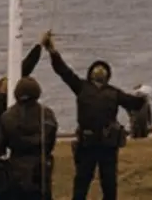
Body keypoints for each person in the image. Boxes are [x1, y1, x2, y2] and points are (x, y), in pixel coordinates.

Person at [42, 31, 146, 200]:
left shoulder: (114, 92)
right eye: (97, 67)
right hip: (87, 144)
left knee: (109, 184)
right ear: (90, 73)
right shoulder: (81, 87)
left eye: (103, 68)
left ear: (107, 75)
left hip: (108, 145)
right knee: (82, 182)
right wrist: (52, 51)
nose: (99, 69)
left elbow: (134, 103)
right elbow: (63, 71)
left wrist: (142, 93)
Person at [0, 76, 58, 200]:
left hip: (16, 171)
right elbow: (50, 143)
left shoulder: (8, 116)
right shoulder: (47, 114)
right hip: (40, 171)